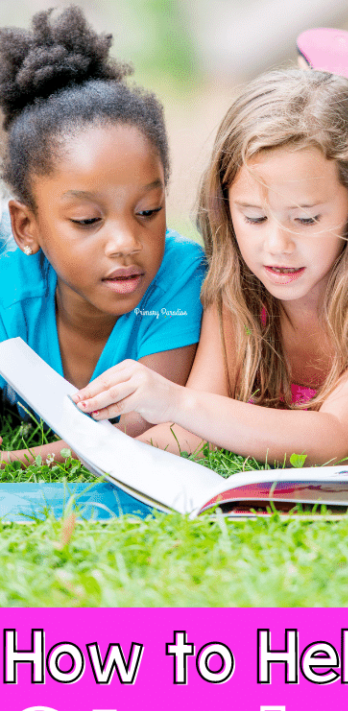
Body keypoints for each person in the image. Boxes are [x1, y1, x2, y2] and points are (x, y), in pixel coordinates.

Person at [73, 68, 348, 466]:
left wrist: (176, 401)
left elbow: (337, 437)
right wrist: (66, 454)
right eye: (254, 217)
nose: (277, 246)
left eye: (306, 219)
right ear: (225, 205)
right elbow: (194, 429)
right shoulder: (239, 288)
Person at [0, 5, 205, 465]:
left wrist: (16, 461)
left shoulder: (179, 281)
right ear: (26, 227)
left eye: (148, 211)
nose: (126, 242)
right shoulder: (8, 285)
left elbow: (134, 425)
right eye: (88, 221)